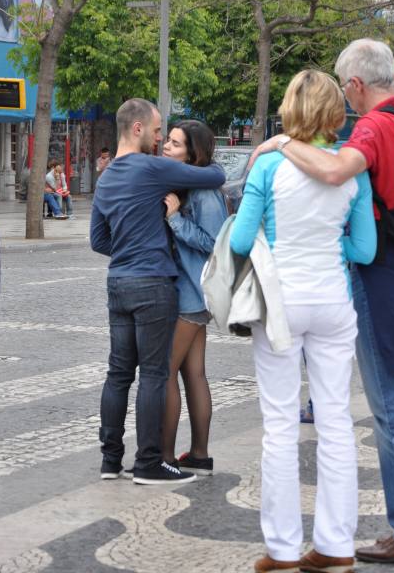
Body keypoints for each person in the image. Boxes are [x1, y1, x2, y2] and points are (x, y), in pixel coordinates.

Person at [254, 40, 394, 567]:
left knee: (392, 407)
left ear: (355, 85)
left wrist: (282, 143)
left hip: (384, 279)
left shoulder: (376, 126)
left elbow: (335, 171)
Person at [230, 70, 376, 573]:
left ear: (290, 109)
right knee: (336, 424)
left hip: (281, 305)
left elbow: (240, 241)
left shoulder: (270, 164)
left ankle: (283, 549)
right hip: (334, 302)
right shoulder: (352, 169)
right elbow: (365, 248)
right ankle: (337, 545)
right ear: (336, 113)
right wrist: (329, 244)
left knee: (279, 427)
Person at [90, 98, 225, 485]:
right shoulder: (151, 168)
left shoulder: (108, 177)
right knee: (153, 374)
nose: (159, 137)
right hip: (152, 283)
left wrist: (128, 247)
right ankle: (150, 462)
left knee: (118, 374)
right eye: (156, 130)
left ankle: (110, 460)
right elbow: (214, 178)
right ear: (137, 129)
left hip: (118, 282)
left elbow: (99, 239)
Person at [161, 120, 228, 475]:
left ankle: (166, 457)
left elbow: (214, 241)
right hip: (188, 291)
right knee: (193, 373)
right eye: (167, 141)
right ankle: (199, 455)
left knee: (165, 372)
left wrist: (175, 219)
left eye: (174, 143)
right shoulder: (187, 184)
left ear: (193, 151)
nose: (166, 147)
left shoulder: (203, 192)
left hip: (192, 293)